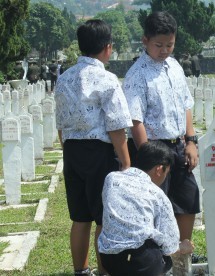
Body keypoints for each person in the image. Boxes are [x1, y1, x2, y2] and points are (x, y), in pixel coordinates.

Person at [54, 19, 133, 276]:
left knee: (80, 217)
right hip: (98, 152)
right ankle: (103, 271)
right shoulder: (107, 79)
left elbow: (60, 124)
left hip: (72, 149)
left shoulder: (63, 78)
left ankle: (81, 271)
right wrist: (126, 161)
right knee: (103, 217)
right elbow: (116, 125)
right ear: (108, 47)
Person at [123, 11, 200, 263]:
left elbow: (186, 105)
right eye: (159, 45)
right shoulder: (137, 74)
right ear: (145, 40)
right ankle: (160, 258)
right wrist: (148, 157)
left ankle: (181, 254)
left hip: (178, 145)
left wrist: (191, 141)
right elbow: (136, 120)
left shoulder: (175, 66)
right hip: (154, 148)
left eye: (170, 44)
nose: (165, 50)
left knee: (188, 199)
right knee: (156, 206)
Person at [98, 141, 194, 276]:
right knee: (163, 256)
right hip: (141, 262)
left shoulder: (111, 178)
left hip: (109, 258)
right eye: (167, 172)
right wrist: (183, 246)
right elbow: (170, 245)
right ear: (159, 169)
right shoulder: (158, 194)